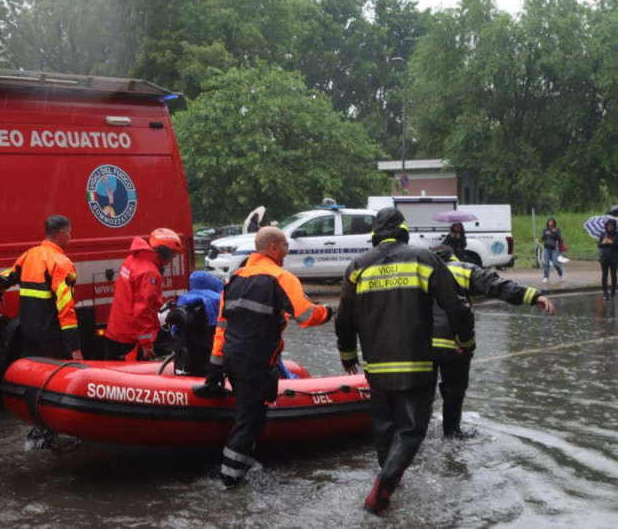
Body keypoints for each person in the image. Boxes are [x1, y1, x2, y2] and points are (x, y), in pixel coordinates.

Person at [335, 208, 475, 515]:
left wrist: (348, 354)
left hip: (376, 368)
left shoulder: (358, 266)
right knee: (411, 430)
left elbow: (344, 316)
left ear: (375, 235)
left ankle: (387, 483)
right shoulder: (423, 258)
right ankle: (383, 490)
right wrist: (466, 342)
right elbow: (457, 306)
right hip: (416, 365)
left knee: (384, 427)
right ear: (404, 231)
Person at [195, 227, 332, 489]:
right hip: (256, 364)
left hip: (233, 361)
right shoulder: (281, 277)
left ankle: (242, 468)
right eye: (284, 247)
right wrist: (328, 313)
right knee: (246, 423)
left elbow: (221, 329)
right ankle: (229, 483)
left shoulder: (234, 280)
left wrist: (214, 373)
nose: (287, 252)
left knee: (250, 418)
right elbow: (306, 316)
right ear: (273, 248)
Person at [431, 244, 556, 440]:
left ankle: (418, 432)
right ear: (453, 256)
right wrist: (532, 296)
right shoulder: (463, 269)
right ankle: (451, 433)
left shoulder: (420, 271)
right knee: (454, 391)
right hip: (454, 345)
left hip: (421, 346)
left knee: (421, 394)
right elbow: (495, 284)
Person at [0, 215, 83, 360]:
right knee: (54, 376)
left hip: (28, 331)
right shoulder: (62, 263)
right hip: (51, 335)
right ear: (62, 233)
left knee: (33, 371)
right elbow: (65, 307)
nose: (70, 236)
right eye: (69, 232)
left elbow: (8, 276)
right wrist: (74, 347)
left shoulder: (29, 255)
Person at [104, 228, 183, 361]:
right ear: (164, 251)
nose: (173, 258)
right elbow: (142, 310)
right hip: (131, 336)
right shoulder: (150, 273)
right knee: (130, 378)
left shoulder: (132, 259)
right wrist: (146, 344)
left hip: (117, 328)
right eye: (173, 254)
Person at [162, 271, 224, 376]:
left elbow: (174, 331)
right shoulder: (218, 298)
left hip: (184, 355)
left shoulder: (183, 299)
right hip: (211, 352)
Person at [540, 217, 564, 283]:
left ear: (554, 222)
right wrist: (545, 234)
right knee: (546, 263)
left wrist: (555, 232)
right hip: (546, 248)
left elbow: (559, 238)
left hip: (554, 248)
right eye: (549, 221)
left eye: (552, 221)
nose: (550, 223)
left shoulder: (557, 229)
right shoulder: (545, 230)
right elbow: (542, 238)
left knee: (555, 263)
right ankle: (546, 277)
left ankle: (561, 273)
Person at [599, 219, 618, 300]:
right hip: (604, 257)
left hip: (614, 257)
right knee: (604, 274)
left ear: (614, 226)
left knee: (613, 274)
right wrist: (603, 243)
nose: (609, 227)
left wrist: (612, 243)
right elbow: (599, 245)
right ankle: (605, 292)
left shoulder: (617, 234)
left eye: (611, 225)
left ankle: (613, 291)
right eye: (608, 225)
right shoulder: (603, 234)